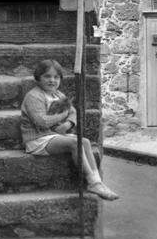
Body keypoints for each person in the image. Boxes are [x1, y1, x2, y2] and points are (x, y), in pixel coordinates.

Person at [20, 59, 119, 200]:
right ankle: (91, 182)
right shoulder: (34, 96)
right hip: (38, 138)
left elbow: (73, 113)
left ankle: (97, 182)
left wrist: (68, 125)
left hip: (54, 135)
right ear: (38, 78)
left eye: (56, 77)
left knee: (84, 142)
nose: (52, 81)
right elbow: (42, 121)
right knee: (75, 143)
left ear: (60, 79)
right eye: (47, 76)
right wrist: (63, 115)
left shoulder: (58, 95)